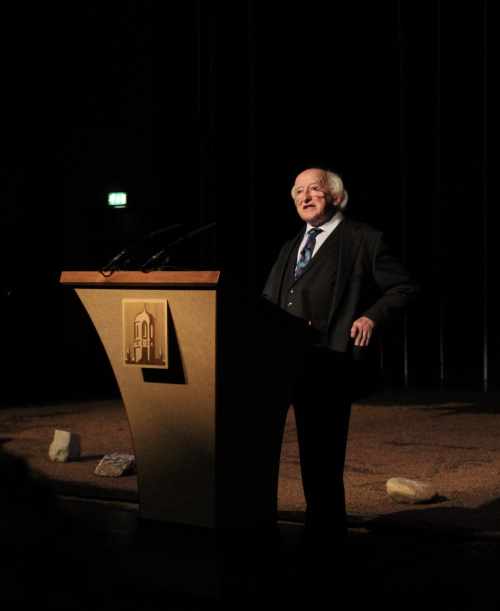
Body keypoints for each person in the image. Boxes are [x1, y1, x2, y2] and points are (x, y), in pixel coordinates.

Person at [258, 167, 418, 549]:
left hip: (329, 363)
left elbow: (404, 287)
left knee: (322, 456)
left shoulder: (363, 239)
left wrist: (371, 316)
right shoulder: (290, 246)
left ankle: (326, 538)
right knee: (275, 451)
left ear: (335, 195)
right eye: (298, 191)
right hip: (283, 362)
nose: (304, 197)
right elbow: (267, 301)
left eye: (314, 189)